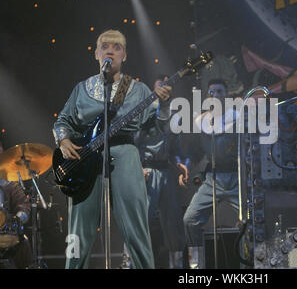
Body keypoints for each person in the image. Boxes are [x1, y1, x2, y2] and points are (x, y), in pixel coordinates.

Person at [52, 29, 172, 269]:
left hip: (125, 154)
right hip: (84, 159)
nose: (110, 50)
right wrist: (63, 141)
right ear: (97, 53)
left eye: (117, 47)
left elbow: (156, 130)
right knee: (79, 231)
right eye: (105, 46)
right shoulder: (82, 88)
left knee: (136, 226)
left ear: (124, 55)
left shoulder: (138, 89)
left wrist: (164, 107)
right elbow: (62, 121)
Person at [182, 78, 240, 269]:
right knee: (190, 219)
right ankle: (196, 263)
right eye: (212, 92)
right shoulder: (201, 121)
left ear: (226, 95)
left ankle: (256, 261)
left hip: (236, 179)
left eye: (220, 92)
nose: (215, 95)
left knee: (253, 222)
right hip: (212, 180)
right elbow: (194, 152)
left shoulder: (237, 117)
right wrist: (186, 167)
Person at [134, 76, 188, 269]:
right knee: (140, 221)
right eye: (159, 88)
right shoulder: (143, 114)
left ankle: (178, 266)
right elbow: (132, 145)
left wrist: (180, 164)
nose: (164, 91)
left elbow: (176, 148)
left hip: (165, 172)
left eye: (166, 88)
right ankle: (131, 264)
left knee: (173, 221)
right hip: (146, 171)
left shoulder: (175, 116)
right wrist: (136, 167)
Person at [0, 141, 32, 269]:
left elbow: (24, 205)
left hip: (5, 232)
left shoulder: (10, 182)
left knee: (23, 242)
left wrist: (17, 221)